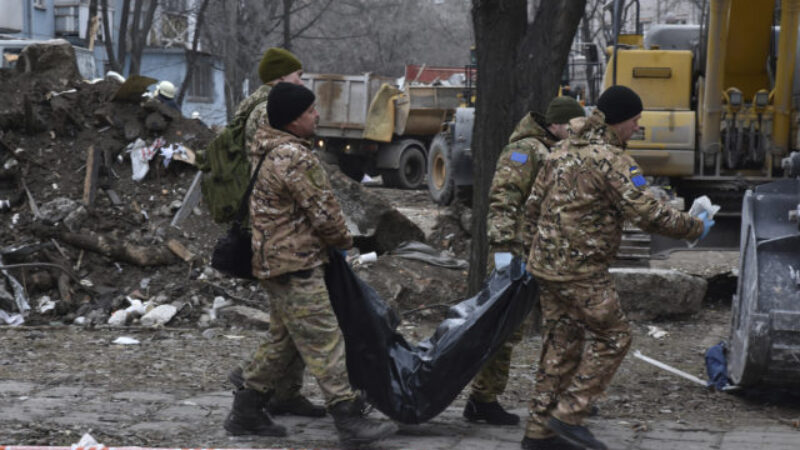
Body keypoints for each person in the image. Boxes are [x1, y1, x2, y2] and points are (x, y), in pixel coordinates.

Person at [520, 85, 714, 450]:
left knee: (561, 345)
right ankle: (569, 415)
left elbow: (532, 205)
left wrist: (536, 250)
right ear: (621, 120)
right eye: (636, 120)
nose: (638, 127)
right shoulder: (613, 160)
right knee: (614, 337)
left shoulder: (561, 150)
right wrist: (695, 226)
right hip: (581, 271)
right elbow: (648, 213)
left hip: (547, 266)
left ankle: (538, 433)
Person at [223, 82, 398, 447]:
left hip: (276, 262)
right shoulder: (295, 157)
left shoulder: (267, 149)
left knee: (284, 341)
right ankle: (348, 418)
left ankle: (246, 409)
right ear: (293, 120)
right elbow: (323, 212)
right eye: (310, 111)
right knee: (325, 339)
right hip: (295, 263)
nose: (317, 115)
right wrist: (344, 243)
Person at [464, 96, 585, 426]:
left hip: (543, 254)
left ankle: (561, 396)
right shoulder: (524, 151)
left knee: (562, 325)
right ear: (557, 125)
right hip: (516, 252)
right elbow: (504, 198)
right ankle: (482, 399)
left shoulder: (555, 151)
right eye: (574, 126)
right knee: (506, 329)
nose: (578, 132)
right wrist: (503, 249)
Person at [225, 47, 324, 419]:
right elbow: (277, 170)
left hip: (274, 229)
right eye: (298, 77)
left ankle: (283, 392)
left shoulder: (259, 105)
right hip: (278, 233)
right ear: (281, 77)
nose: (303, 83)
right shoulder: (268, 110)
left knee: (288, 321)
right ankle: (252, 384)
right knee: (293, 320)